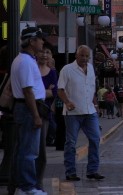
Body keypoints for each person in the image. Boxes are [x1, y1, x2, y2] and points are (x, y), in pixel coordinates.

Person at [57, 45, 104, 181]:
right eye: (82, 55)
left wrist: (96, 105)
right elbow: (60, 89)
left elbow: (91, 89)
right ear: (76, 55)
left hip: (90, 111)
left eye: (86, 56)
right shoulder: (67, 69)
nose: (84, 58)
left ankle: (92, 170)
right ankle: (70, 171)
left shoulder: (91, 68)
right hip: (73, 113)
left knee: (95, 139)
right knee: (71, 142)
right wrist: (67, 102)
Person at [10, 27, 47, 195]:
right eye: (40, 39)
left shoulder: (25, 60)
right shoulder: (25, 62)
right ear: (32, 41)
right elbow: (28, 91)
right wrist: (36, 115)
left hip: (26, 108)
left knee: (24, 149)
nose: (42, 42)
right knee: (29, 151)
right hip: (28, 109)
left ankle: (21, 185)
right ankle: (28, 187)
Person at [36, 44, 57, 186]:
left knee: (41, 148)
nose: (44, 55)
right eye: (42, 52)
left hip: (44, 113)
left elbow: (54, 92)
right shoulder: (32, 69)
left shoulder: (52, 73)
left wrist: (39, 92)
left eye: (47, 52)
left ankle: (38, 181)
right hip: (30, 112)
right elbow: (29, 90)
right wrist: (45, 91)